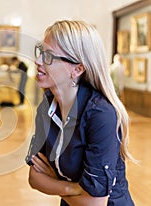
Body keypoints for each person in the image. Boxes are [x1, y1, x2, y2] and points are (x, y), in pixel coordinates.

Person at [27, 20, 135, 205]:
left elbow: (96, 203)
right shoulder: (46, 107)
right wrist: (71, 187)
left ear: (77, 69)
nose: (38, 61)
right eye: (40, 52)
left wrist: (56, 182)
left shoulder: (101, 114)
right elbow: (35, 178)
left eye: (49, 56)